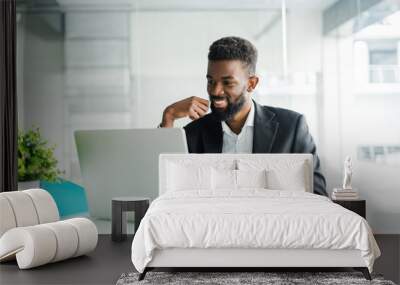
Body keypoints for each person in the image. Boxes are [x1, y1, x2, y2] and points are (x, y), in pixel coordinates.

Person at [159, 36, 327, 196]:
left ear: (251, 84)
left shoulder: (292, 127)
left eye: (227, 83)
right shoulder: (193, 133)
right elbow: (164, 188)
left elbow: (317, 195)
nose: (215, 91)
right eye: (211, 81)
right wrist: (169, 116)